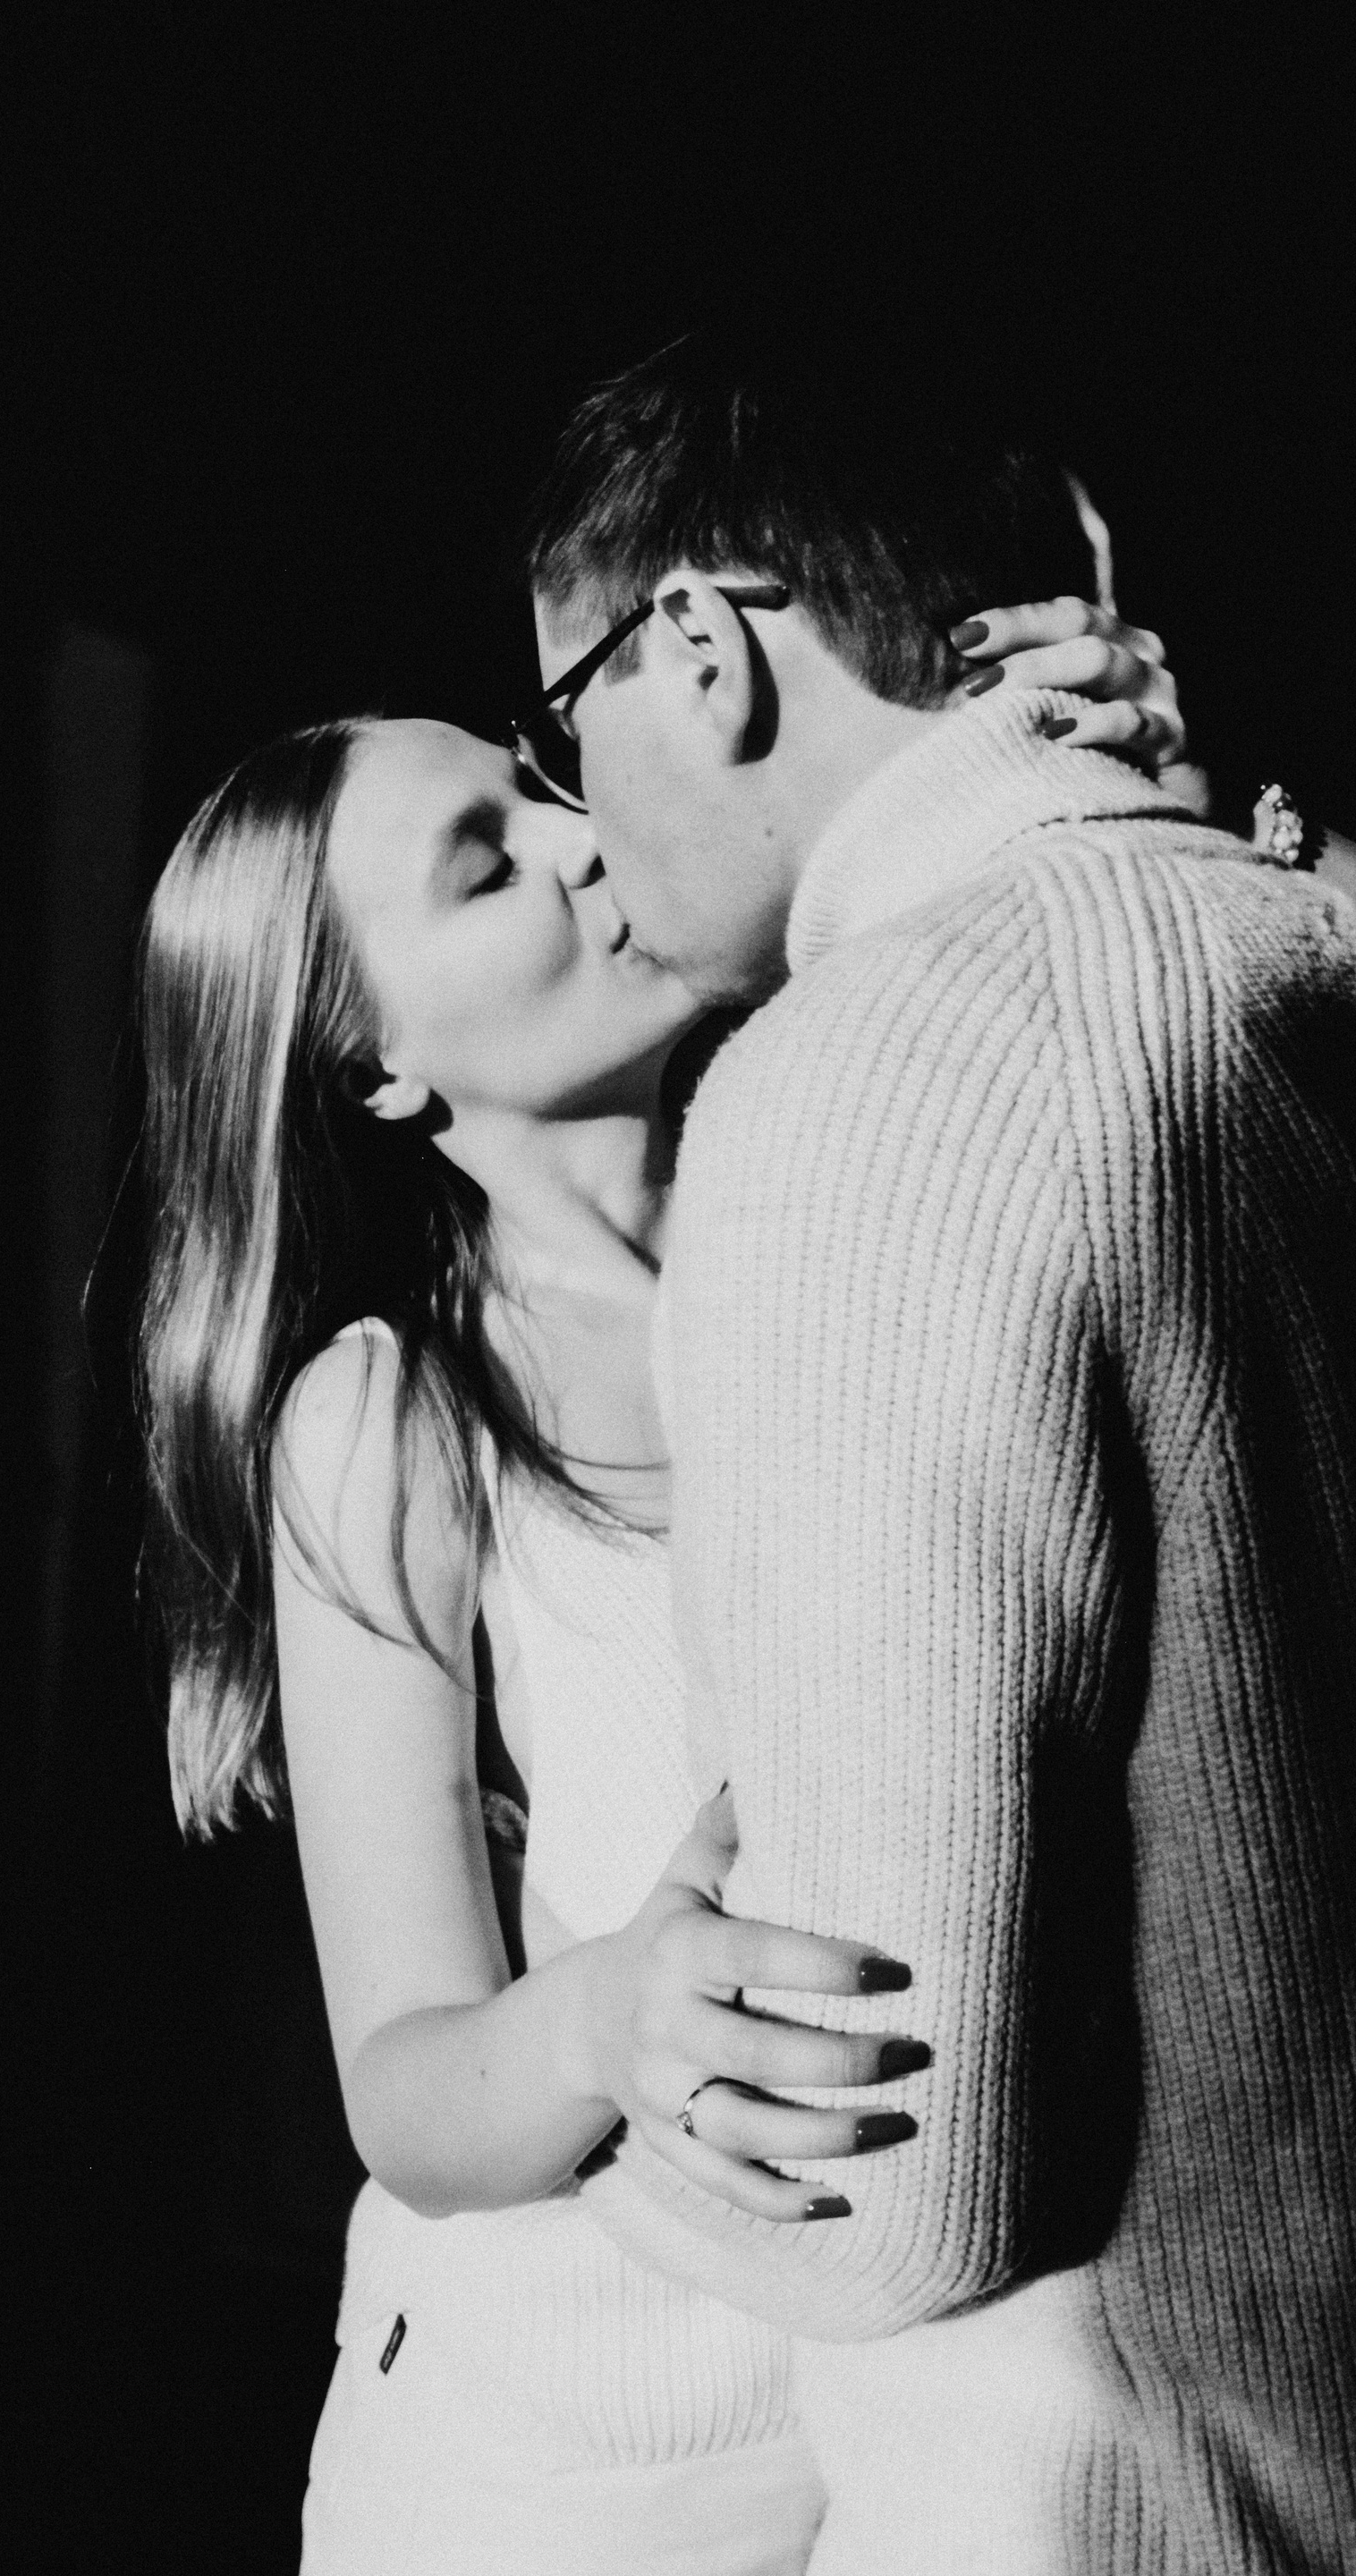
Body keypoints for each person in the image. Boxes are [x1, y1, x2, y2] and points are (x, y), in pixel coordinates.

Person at [136, 581, 1183, 2569]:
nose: (577, 836)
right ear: (371, 1067)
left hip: (911, 2440)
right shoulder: (391, 1421)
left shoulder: (860, 1207)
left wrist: (1121, 786)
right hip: (544, 2484)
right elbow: (404, 2088)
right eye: (484, 866)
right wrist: (607, 2017)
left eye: (539, 785)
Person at [518, 339, 1356, 2572]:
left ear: (697, 644)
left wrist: (617, 2098)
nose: (579, 812)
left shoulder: (874, 1076)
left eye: (563, 715)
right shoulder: (1313, 953)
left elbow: (902, 2180)